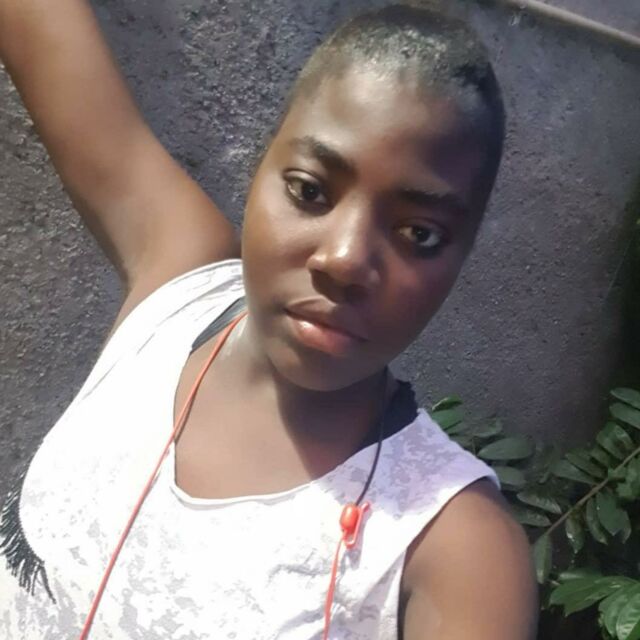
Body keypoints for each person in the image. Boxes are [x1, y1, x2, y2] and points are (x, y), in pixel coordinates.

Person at [0, 1, 538, 638]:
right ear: (260, 167)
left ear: (461, 257)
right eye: (310, 191)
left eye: (419, 233)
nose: (344, 260)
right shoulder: (177, 290)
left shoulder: (457, 551)